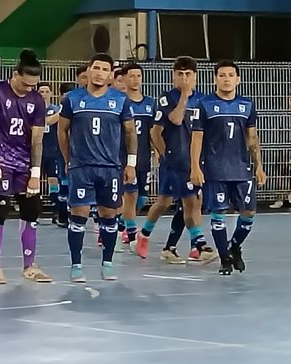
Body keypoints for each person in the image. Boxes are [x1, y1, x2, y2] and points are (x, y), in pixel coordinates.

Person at [58, 53, 137, 282]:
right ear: (89, 70)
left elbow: (130, 133)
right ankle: (76, 265)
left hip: (110, 167)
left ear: (111, 75)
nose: (100, 73)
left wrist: (130, 163)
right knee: (78, 214)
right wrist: (68, 159)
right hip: (81, 166)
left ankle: (108, 263)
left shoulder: (120, 100)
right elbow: (62, 131)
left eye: (105, 69)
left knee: (109, 215)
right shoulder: (73, 99)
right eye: (96, 68)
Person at [0, 50, 51, 285]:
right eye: (25, 84)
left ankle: (30, 266)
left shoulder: (37, 100)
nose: (29, 88)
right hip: (1, 161)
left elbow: (37, 139)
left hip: (24, 164)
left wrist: (36, 174)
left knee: (31, 212)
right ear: (15, 74)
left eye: (33, 85)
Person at [190, 60, 265, 275]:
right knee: (218, 214)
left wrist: (258, 165)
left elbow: (252, 137)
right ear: (215, 79)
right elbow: (197, 138)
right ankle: (224, 259)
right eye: (222, 75)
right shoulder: (204, 105)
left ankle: (234, 246)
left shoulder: (247, 105)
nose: (226, 79)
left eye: (231, 75)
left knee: (249, 212)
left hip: (241, 169)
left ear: (238, 79)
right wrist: (195, 167)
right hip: (215, 169)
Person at [141, 56, 215, 264]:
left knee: (192, 202)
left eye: (188, 74)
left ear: (196, 76)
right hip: (175, 160)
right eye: (180, 74)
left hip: (194, 161)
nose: (184, 78)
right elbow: (171, 122)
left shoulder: (203, 100)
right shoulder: (167, 98)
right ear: (174, 76)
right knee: (169, 201)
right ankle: (148, 235)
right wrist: (164, 154)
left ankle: (191, 246)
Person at [116, 63, 156, 254]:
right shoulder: (119, 102)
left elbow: (153, 132)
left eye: (138, 76)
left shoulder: (150, 103)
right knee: (129, 196)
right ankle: (131, 235)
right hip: (124, 157)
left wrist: (157, 152)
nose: (135, 79)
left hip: (144, 157)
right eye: (131, 76)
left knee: (142, 198)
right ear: (124, 79)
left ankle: (120, 223)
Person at [39, 83, 67, 227]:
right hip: (36, 152)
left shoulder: (56, 109)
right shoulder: (34, 110)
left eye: (46, 91)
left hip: (52, 151)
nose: (44, 94)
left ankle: (56, 211)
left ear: (51, 93)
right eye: (41, 91)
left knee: (53, 182)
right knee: (34, 183)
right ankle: (34, 213)